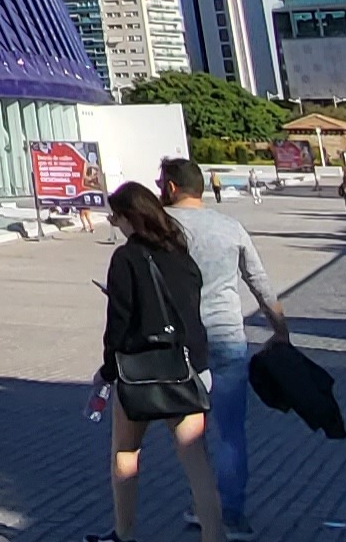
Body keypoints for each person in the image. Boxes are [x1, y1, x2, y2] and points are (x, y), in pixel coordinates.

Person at [87, 182, 225, 542]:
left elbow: (118, 323)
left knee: (126, 454)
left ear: (128, 217)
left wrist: (107, 370)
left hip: (141, 372)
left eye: (115, 217)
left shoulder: (126, 258)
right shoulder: (181, 255)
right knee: (197, 466)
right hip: (185, 368)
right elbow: (191, 313)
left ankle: (124, 533)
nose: (114, 224)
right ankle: (214, 536)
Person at [159, 160, 287, 542]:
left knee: (190, 431)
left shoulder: (160, 226)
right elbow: (258, 281)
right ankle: (231, 513)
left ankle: (203, 504)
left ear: (170, 187)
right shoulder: (230, 227)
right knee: (230, 431)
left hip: (181, 342)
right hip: (228, 336)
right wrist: (280, 329)